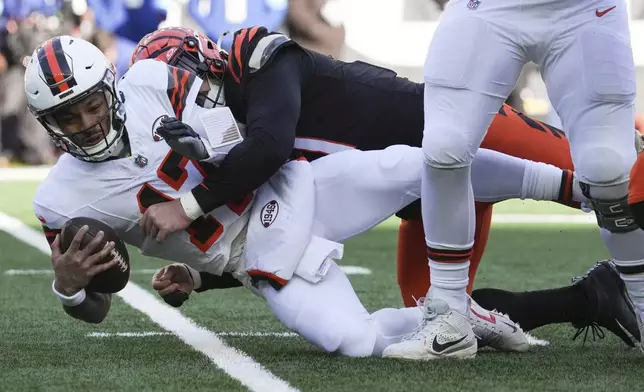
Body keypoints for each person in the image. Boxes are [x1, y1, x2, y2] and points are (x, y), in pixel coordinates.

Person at [27, 36, 580, 357]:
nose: (86, 123)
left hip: (289, 190)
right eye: (68, 117)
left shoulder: (153, 80)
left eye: (92, 104)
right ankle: (458, 321)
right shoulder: (60, 199)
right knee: (354, 342)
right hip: (256, 259)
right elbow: (97, 302)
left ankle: (564, 185)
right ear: (47, 123)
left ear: (110, 86)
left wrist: (195, 177)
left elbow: (244, 152)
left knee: (413, 164)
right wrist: (70, 289)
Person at [402, 0, 644, 359]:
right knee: (444, 145)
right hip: (487, 6)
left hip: (583, 8)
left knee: (608, 168)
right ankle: (449, 312)